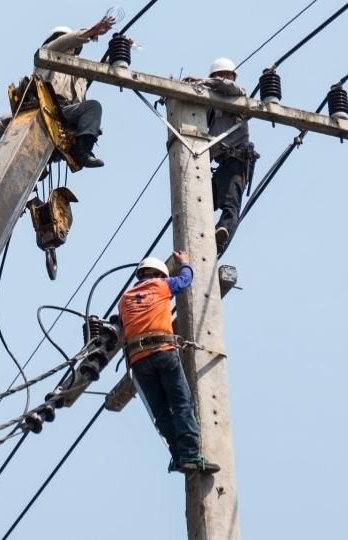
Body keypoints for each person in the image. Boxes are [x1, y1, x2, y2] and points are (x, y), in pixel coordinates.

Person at [117, 252, 221, 474]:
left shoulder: (124, 299)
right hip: (163, 352)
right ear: (159, 274)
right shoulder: (161, 285)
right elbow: (184, 280)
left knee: (162, 412)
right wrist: (185, 262)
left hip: (138, 361)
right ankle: (191, 454)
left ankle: (178, 456)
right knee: (182, 404)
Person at [0, 16, 117, 168]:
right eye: (63, 40)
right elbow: (63, 42)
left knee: (93, 107)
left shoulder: (80, 69)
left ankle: (82, 151)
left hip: (67, 114)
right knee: (2, 120)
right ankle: (19, 159)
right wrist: (91, 32)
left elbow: (104, 66)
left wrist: (121, 49)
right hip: (43, 108)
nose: (68, 45)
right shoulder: (47, 54)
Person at [184, 58, 260, 255]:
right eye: (220, 75)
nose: (223, 78)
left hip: (237, 162)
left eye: (226, 75)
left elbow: (228, 86)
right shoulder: (210, 105)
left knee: (230, 205)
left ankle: (221, 234)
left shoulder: (237, 94)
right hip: (222, 165)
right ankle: (202, 237)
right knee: (200, 201)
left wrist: (201, 81)